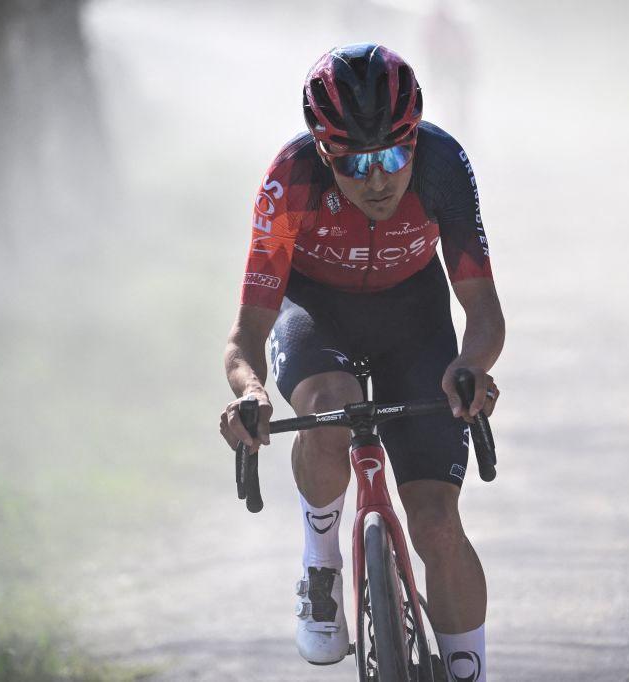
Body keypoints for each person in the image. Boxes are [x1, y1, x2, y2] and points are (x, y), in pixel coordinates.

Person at [220, 43, 504, 681]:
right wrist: (251, 393)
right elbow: (247, 334)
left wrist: (470, 366)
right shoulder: (290, 177)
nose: (378, 179)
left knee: (436, 523)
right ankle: (322, 562)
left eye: (394, 154)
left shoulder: (443, 164)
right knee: (328, 409)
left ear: (415, 142)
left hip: (415, 318)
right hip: (318, 312)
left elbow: (483, 311)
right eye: (354, 162)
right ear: (324, 153)